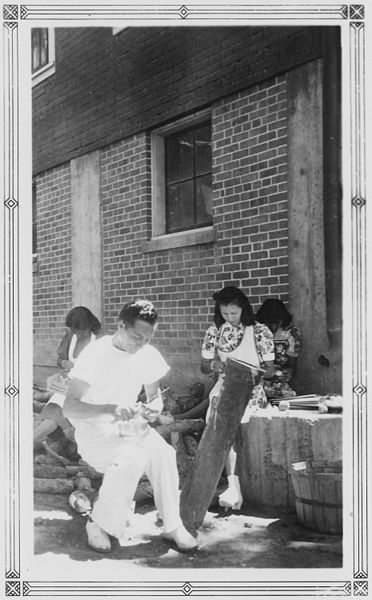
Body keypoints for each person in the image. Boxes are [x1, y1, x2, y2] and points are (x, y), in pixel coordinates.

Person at [63, 299, 198, 553]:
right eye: (137, 337)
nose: (142, 344)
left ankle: (172, 525)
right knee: (132, 458)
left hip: (129, 427)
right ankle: (98, 524)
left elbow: (154, 398)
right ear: (120, 326)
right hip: (94, 432)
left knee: (163, 454)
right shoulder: (96, 354)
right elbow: (69, 407)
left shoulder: (146, 353)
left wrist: (152, 410)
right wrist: (110, 409)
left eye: (148, 338)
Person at [177, 286, 275, 511]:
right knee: (222, 435)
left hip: (251, 392)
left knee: (241, 433)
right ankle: (232, 486)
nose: (229, 318)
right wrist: (215, 365)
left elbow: (269, 370)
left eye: (234, 313)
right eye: (225, 313)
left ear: (243, 309)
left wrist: (249, 371)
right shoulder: (215, 331)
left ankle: (241, 488)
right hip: (223, 389)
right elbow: (203, 366)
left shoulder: (260, 331)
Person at [33, 306, 102, 446]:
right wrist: (64, 362)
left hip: (92, 387)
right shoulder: (71, 337)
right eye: (75, 331)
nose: (78, 334)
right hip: (69, 382)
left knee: (60, 402)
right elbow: (59, 361)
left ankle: (32, 440)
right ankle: (34, 439)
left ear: (90, 325)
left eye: (81, 331)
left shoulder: (100, 340)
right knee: (58, 400)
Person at [256, 299, 302, 400]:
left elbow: (292, 366)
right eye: (269, 323)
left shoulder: (291, 335)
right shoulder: (257, 333)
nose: (273, 327)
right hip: (259, 380)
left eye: (277, 323)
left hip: (280, 382)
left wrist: (289, 372)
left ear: (283, 319)